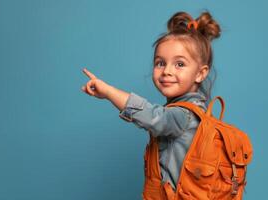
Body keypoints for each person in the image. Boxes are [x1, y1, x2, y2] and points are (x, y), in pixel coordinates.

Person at [81, 10, 221, 199]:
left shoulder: (185, 116)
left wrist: (108, 92)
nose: (167, 71)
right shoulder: (197, 113)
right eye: (160, 63)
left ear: (200, 73)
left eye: (179, 64)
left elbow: (155, 118)